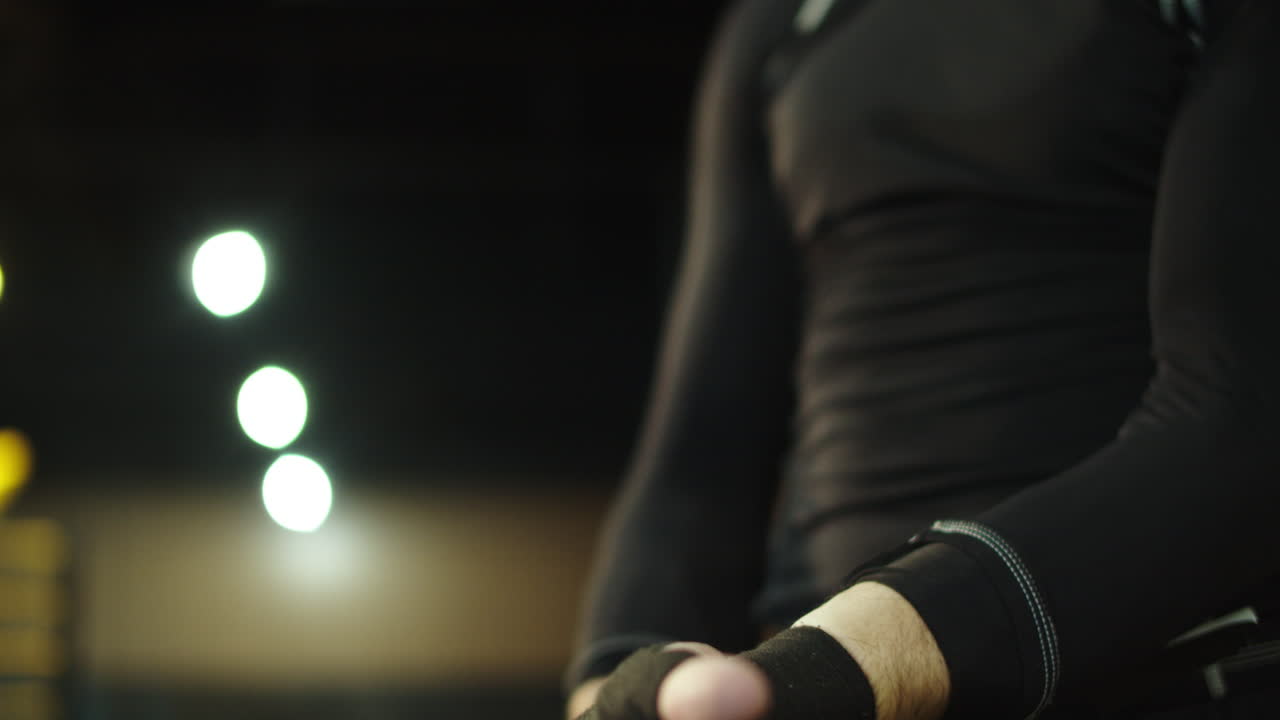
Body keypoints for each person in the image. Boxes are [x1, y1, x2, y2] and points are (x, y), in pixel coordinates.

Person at [566, 0, 1280, 717]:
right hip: (817, 669)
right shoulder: (780, 23)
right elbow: (700, 457)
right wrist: (613, 690)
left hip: (1143, 663)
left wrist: (841, 667)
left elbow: (1238, 419)